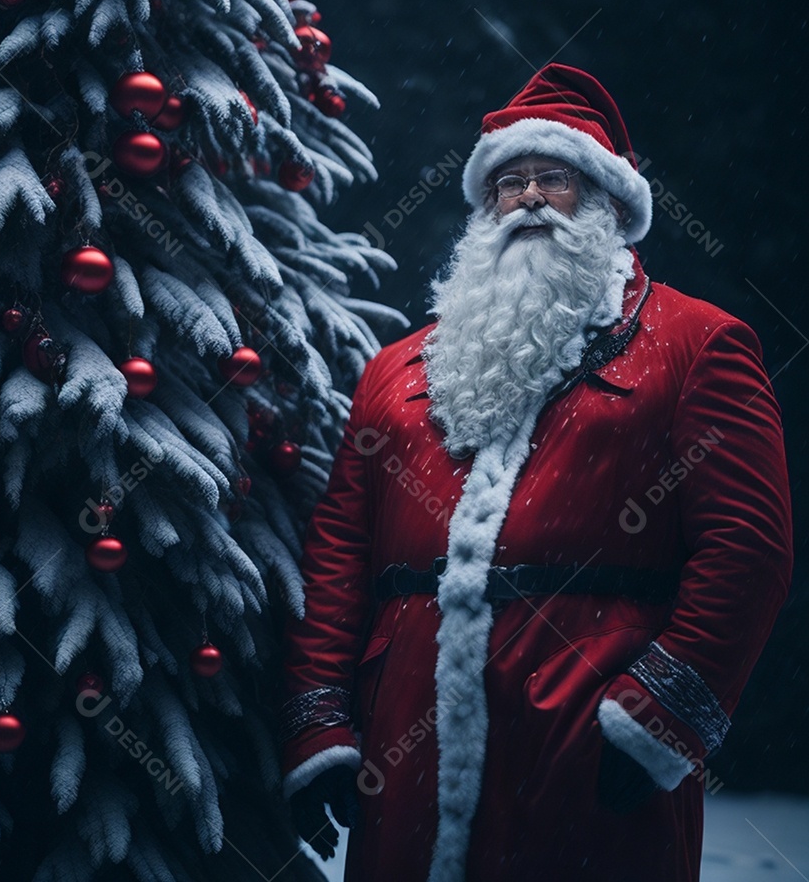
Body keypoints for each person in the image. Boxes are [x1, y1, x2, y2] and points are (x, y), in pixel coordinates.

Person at [278, 64, 793, 882]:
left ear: (607, 203)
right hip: (404, 743)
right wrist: (320, 724)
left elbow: (748, 550)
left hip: (587, 741)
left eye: (552, 179)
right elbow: (339, 557)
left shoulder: (696, 345)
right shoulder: (397, 371)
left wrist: (658, 717)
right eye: (507, 183)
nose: (526, 200)